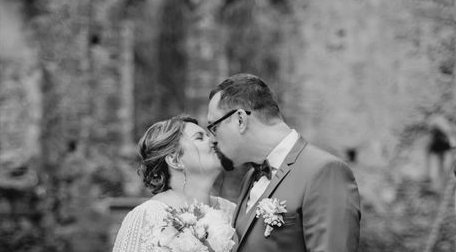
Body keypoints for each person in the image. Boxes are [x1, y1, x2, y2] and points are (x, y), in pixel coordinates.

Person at [207, 74, 361, 252]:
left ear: (240, 120)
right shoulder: (251, 176)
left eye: (213, 127)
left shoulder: (325, 171)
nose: (211, 139)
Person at [112, 115, 236, 252]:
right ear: (175, 160)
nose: (213, 140)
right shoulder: (144, 217)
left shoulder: (232, 211)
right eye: (200, 137)